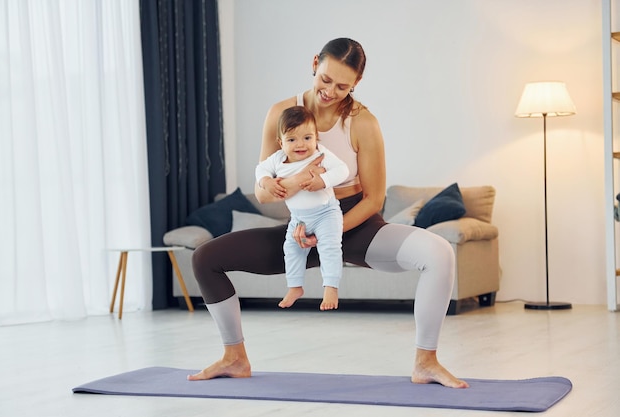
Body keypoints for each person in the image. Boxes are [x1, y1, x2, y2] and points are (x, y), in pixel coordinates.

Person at [187, 37, 469, 388]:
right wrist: (272, 189)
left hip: (356, 224)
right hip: (302, 228)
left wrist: (328, 234)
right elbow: (263, 185)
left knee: (439, 252)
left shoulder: (362, 122)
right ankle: (234, 357)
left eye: (342, 86)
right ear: (315, 62)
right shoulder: (281, 114)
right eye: (325, 79)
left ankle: (426, 362)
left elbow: (374, 199)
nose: (330, 91)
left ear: (356, 84)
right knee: (204, 258)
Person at [256, 106, 349, 311]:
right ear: (281, 143)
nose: (301, 145)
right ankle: (295, 286)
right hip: (298, 218)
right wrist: (266, 182)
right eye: (292, 140)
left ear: (316, 138)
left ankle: (331, 287)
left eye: (307, 138)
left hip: (326, 212)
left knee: (330, 247)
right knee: (291, 249)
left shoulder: (321, 153)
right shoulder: (277, 159)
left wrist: (323, 181)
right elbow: (260, 169)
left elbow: (343, 170)